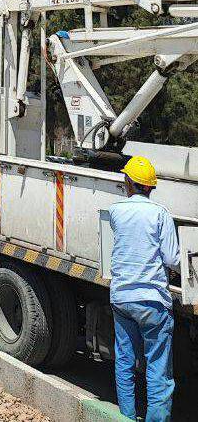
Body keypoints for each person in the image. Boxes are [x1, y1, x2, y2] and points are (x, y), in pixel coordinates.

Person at [108, 156, 179, 422]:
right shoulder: (160, 213)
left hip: (122, 298)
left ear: (128, 183)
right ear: (150, 187)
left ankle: (127, 417)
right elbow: (172, 259)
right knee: (158, 368)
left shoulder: (116, 211)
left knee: (125, 363)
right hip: (152, 302)